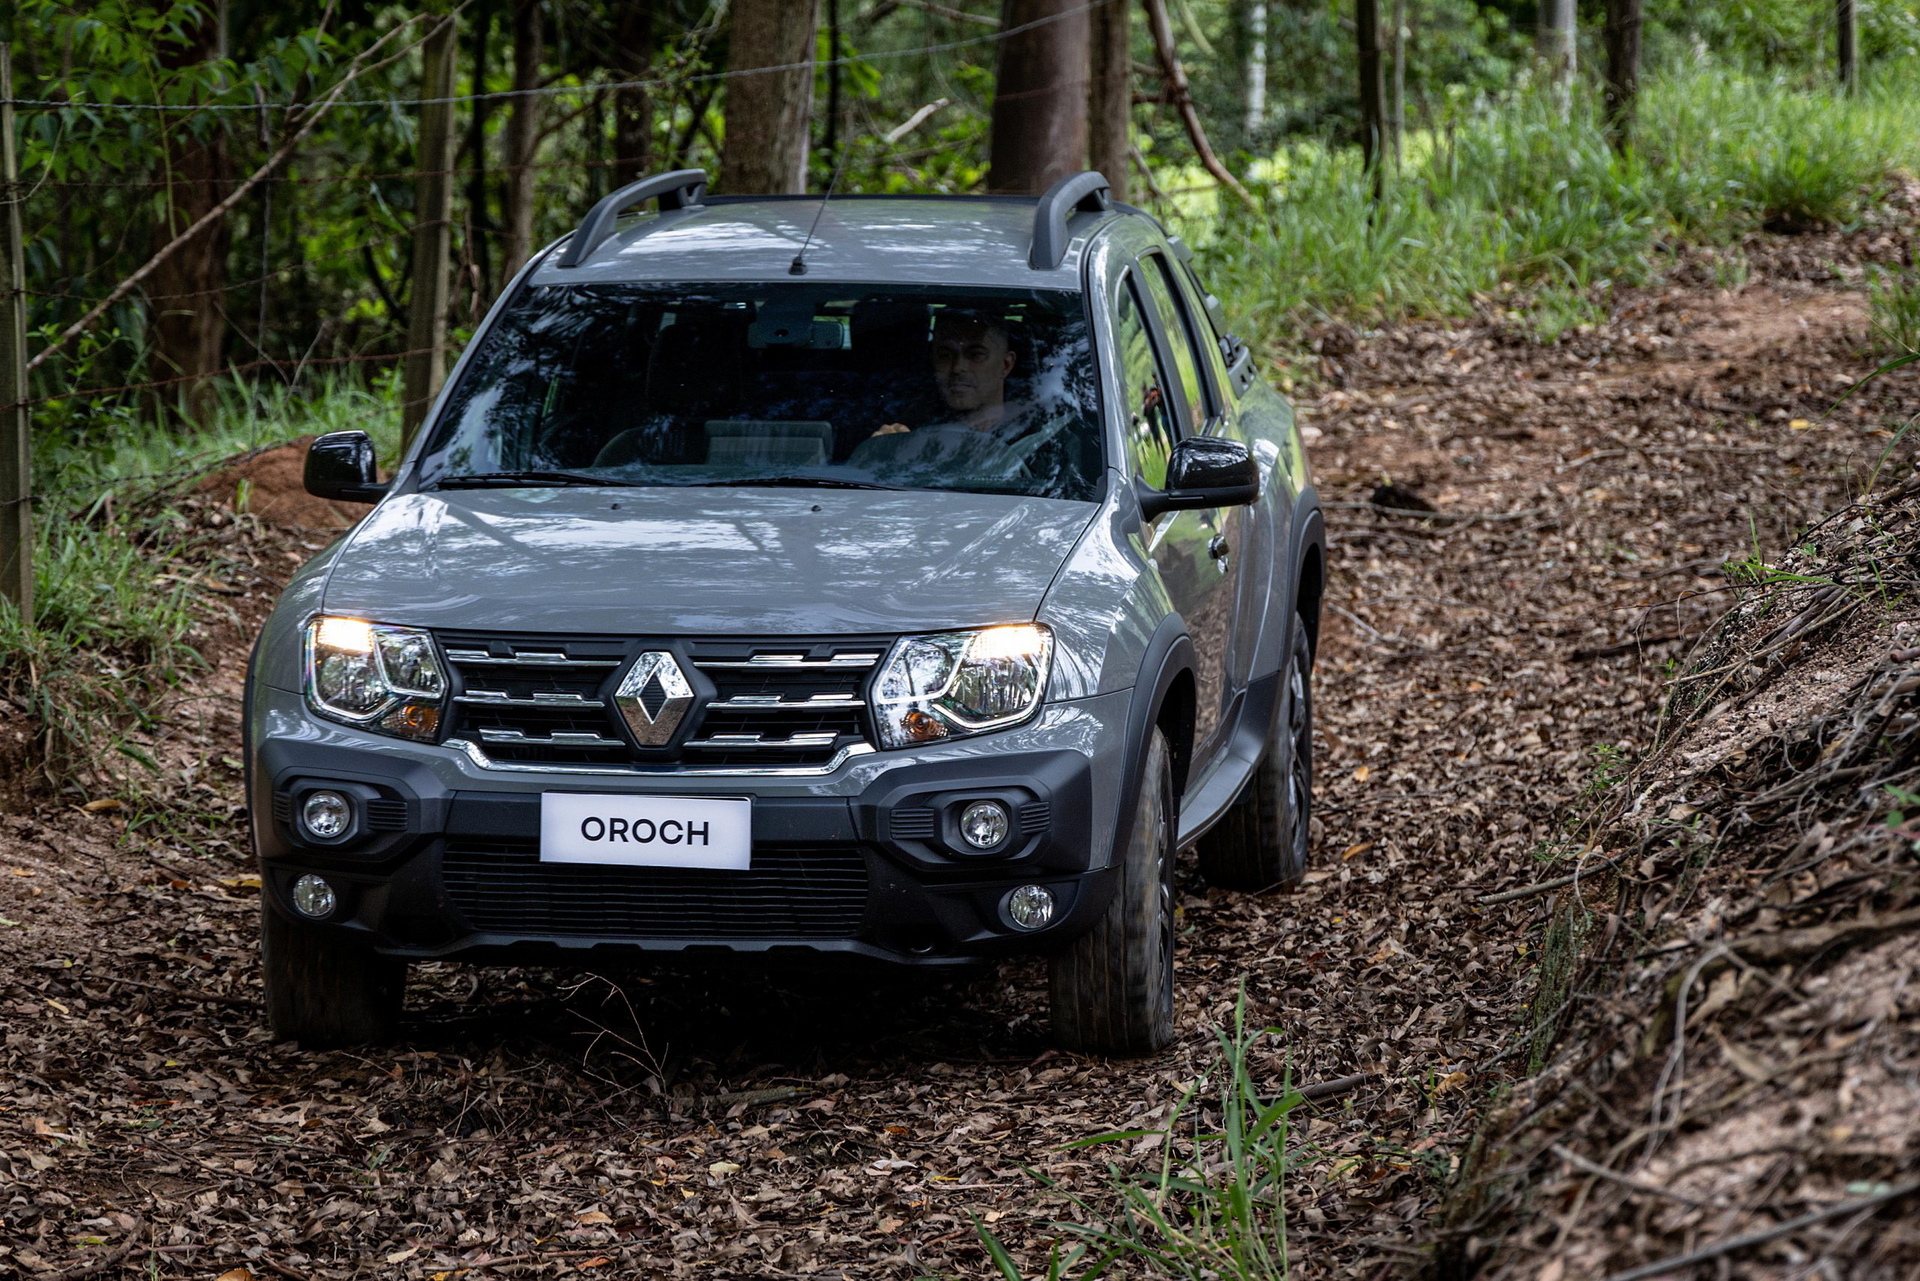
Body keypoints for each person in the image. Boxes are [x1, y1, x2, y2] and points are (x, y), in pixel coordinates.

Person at [872, 310, 1026, 439]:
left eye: (976, 355)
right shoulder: (906, 431)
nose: (958, 367)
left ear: (1006, 365)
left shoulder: (1034, 438)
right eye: (945, 355)